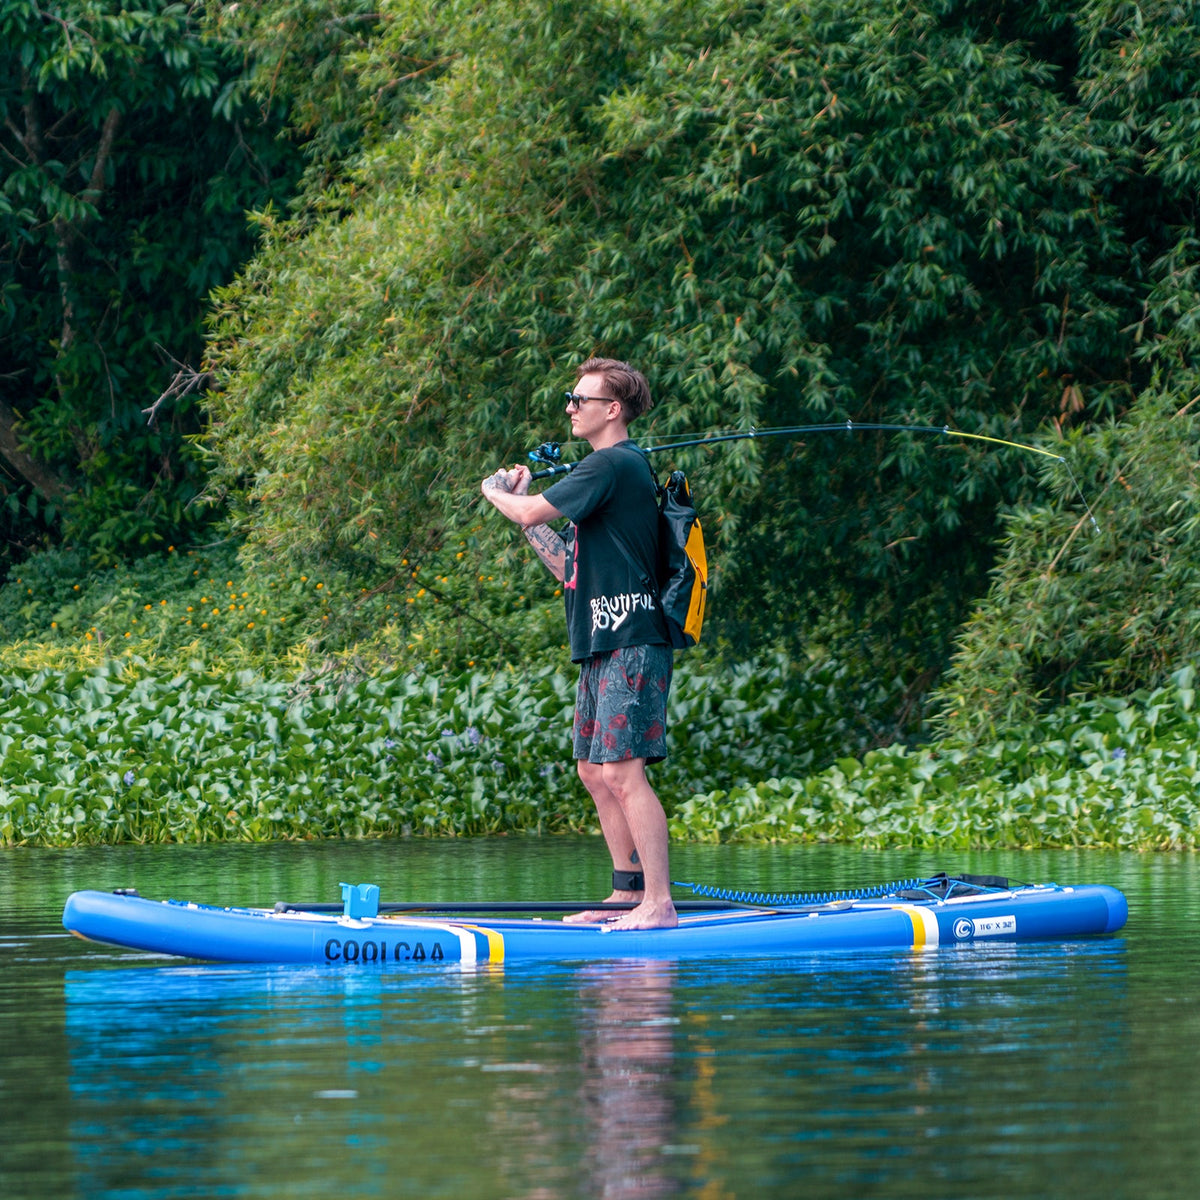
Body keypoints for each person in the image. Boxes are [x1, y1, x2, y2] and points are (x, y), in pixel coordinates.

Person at [481, 357, 678, 930]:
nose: (569, 408)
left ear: (611, 410)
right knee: (594, 771)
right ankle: (625, 895)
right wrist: (524, 518)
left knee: (623, 771)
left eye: (579, 399)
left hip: (633, 639)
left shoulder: (611, 464)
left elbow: (526, 505)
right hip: (600, 639)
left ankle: (659, 904)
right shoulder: (610, 474)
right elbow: (569, 563)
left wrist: (496, 492)